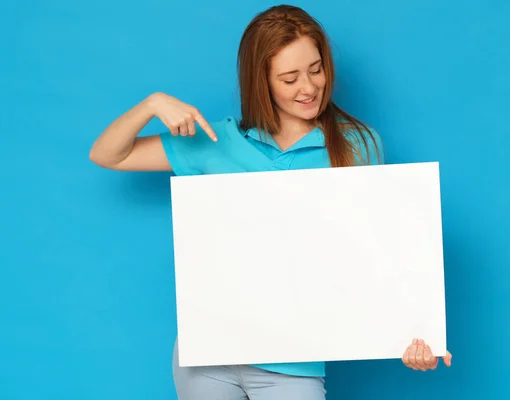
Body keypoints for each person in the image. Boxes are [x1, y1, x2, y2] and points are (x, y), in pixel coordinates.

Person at [89, 4, 452, 399]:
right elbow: (109, 154)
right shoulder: (214, 143)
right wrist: (152, 104)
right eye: (290, 77)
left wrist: (416, 333)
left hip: (293, 363)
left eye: (316, 69)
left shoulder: (357, 145)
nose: (309, 87)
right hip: (207, 358)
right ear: (260, 80)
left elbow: (378, 252)